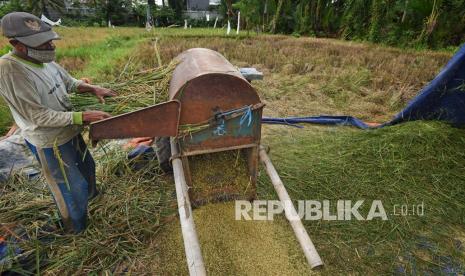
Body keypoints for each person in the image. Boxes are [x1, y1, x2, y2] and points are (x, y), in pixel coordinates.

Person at [0, 12, 116, 233]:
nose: (50, 45)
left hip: (69, 130)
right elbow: (37, 116)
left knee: (87, 169)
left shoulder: (44, 59)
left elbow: (68, 82)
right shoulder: (10, 70)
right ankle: (76, 229)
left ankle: (92, 205)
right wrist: (83, 116)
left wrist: (92, 88)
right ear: (17, 44)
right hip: (50, 141)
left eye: (49, 39)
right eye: (42, 43)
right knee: (71, 188)